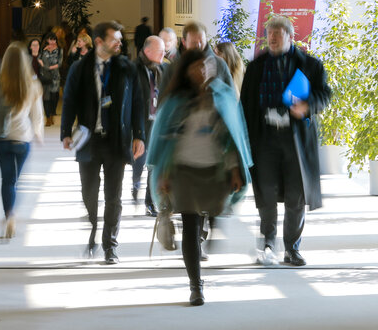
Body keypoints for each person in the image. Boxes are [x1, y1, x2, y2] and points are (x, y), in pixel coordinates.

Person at [146, 48, 252, 306]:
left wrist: (235, 169)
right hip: (184, 170)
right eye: (197, 66)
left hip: (214, 170)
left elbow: (232, 137)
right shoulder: (175, 101)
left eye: (207, 65)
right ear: (188, 70)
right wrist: (164, 174)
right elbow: (165, 139)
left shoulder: (223, 96)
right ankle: (196, 285)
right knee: (191, 227)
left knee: (214, 212)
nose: (203, 70)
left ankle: (212, 232)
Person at [241, 16, 331, 267]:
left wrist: (308, 105)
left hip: (296, 140)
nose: (272, 37)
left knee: (296, 195)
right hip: (265, 137)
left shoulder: (310, 65)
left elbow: (324, 94)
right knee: (266, 192)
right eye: (269, 33)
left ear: (291, 36)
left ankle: (292, 248)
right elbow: (246, 104)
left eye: (278, 33)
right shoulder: (256, 67)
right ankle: (268, 243)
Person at [61, 21, 146, 264]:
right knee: (89, 192)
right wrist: (66, 131)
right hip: (89, 141)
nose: (120, 43)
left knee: (114, 196)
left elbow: (138, 102)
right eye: (114, 39)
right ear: (99, 42)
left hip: (116, 141)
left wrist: (139, 134)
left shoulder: (126, 67)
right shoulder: (80, 68)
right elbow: (68, 101)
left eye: (120, 39)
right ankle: (93, 229)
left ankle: (110, 244)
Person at [0, 44, 44, 239]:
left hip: (1, 137)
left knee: (7, 180)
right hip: (23, 138)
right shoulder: (32, 84)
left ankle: (9, 215)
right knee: (17, 180)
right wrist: (38, 133)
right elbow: (38, 114)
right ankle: (12, 212)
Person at [132, 35, 167, 216]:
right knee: (138, 162)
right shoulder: (135, 70)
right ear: (148, 51)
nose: (164, 53)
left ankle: (151, 202)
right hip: (140, 125)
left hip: (157, 125)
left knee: (154, 165)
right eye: (160, 51)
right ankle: (135, 183)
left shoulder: (162, 69)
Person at [160, 21, 234, 95]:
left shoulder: (219, 65)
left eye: (201, 42)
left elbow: (230, 96)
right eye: (194, 43)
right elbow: (163, 99)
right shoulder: (173, 68)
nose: (198, 46)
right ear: (184, 42)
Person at [39, 32, 62, 126]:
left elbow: (59, 63)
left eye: (54, 39)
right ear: (47, 40)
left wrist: (50, 67)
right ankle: (48, 117)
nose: (52, 42)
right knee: (46, 97)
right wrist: (44, 66)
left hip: (55, 76)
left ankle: (52, 114)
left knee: (54, 96)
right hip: (45, 76)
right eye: (50, 39)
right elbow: (38, 59)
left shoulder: (60, 50)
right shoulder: (43, 50)